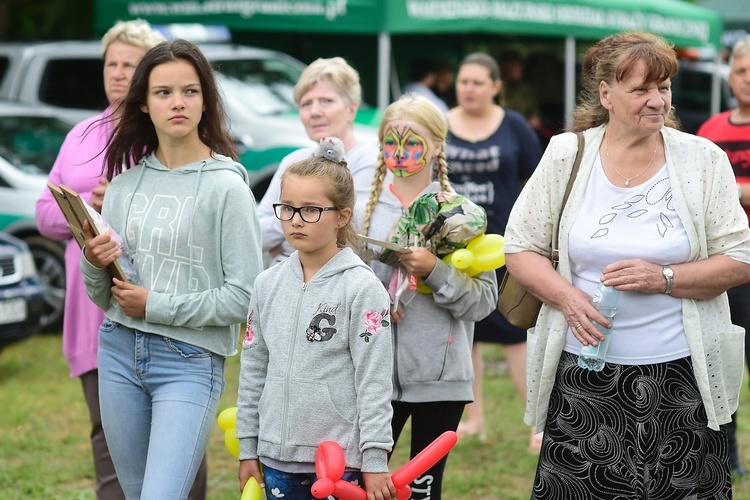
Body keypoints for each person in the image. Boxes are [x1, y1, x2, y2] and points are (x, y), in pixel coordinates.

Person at [503, 31, 750, 498]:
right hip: (583, 375)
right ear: (605, 95)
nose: (657, 101)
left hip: (682, 377)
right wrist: (568, 298)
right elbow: (520, 247)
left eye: (664, 88)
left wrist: (665, 278)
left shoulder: (702, 160)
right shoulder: (566, 154)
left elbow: (741, 257)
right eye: (641, 90)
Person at [79, 39, 262, 499]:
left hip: (189, 361)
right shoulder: (123, 186)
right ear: (144, 102)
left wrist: (155, 305)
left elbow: (243, 297)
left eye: (190, 91)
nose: (177, 102)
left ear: (206, 101)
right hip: (118, 353)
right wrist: (95, 263)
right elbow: (106, 296)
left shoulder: (228, 188)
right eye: (163, 92)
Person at [34, 20, 201, 500]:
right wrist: (92, 206)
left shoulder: (165, 130)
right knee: (108, 438)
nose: (118, 73)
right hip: (91, 314)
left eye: (130, 64)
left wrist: (124, 202)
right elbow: (46, 211)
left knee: (175, 441)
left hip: (155, 307)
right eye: (112, 63)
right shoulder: (82, 133)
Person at [355, 93, 498, 500]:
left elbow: (483, 302)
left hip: (441, 381)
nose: (401, 153)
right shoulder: (359, 208)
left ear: (437, 146)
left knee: (423, 493)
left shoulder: (459, 215)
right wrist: (374, 303)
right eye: (391, 142)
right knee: (360, 486)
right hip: (370, 378)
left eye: (413, 142)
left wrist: (435, 272)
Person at [235, 137, 395, 499]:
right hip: (275, 457)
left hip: (339, 464)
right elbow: (253, 369)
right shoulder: (266, 284)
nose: (295, 220)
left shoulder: (363, 288)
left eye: (310, 210)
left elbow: (374, 379)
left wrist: (374, 458)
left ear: (341, 216)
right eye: (287, 208)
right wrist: (248, 445)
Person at [445, 52, 543, 449]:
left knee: (513, 333)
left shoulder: (515, 126)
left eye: (478, 82)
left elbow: (537, 182)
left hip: (504, 247)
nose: (469, 88)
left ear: (496, 86)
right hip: (451, 250)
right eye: (463, 81)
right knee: (464, 336)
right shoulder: (441, 124)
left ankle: (536, 423)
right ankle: (474, 420)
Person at [257, 56, 380, 266]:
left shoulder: (368, 161)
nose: (314, 112)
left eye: (326, 101)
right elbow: (254, 233)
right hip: (283, 275)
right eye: (306, 104)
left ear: (351, 109)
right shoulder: (293, 160)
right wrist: (311, 218)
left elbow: (349, 234)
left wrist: (284, 228)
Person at [697, 34, 750, 478]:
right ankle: (725, 454)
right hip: (722, 272)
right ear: (729, 75)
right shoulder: (710, 132)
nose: (748, 80)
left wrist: (731, 190)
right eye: (741, 71)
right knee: (718, 366)